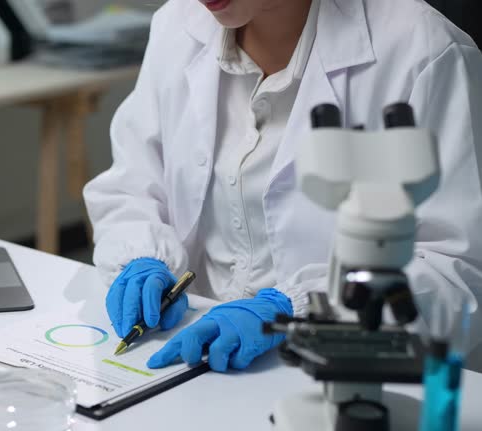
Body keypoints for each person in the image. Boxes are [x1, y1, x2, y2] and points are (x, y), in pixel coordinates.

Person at [84, 0, 482, 372]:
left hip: (345, 376)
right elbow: (133, 183)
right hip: (196, 360)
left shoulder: (421, 52)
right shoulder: (178, 24)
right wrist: (140, 255)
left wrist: (299, 311)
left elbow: (455, 272)